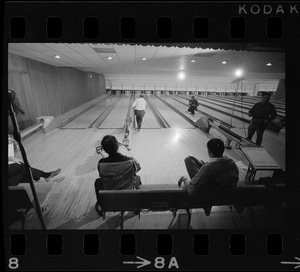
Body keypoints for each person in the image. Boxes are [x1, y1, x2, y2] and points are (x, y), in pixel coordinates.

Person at [94, 135, 142, 215]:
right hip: (128, 197)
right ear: (118, 146)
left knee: (98, 182)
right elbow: (138, 168)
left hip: (110, 198)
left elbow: (102, 175)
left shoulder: (101, 163)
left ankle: (101, 205)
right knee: (137, 178)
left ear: (105, 150)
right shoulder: (130, 161)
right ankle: (137, 206)